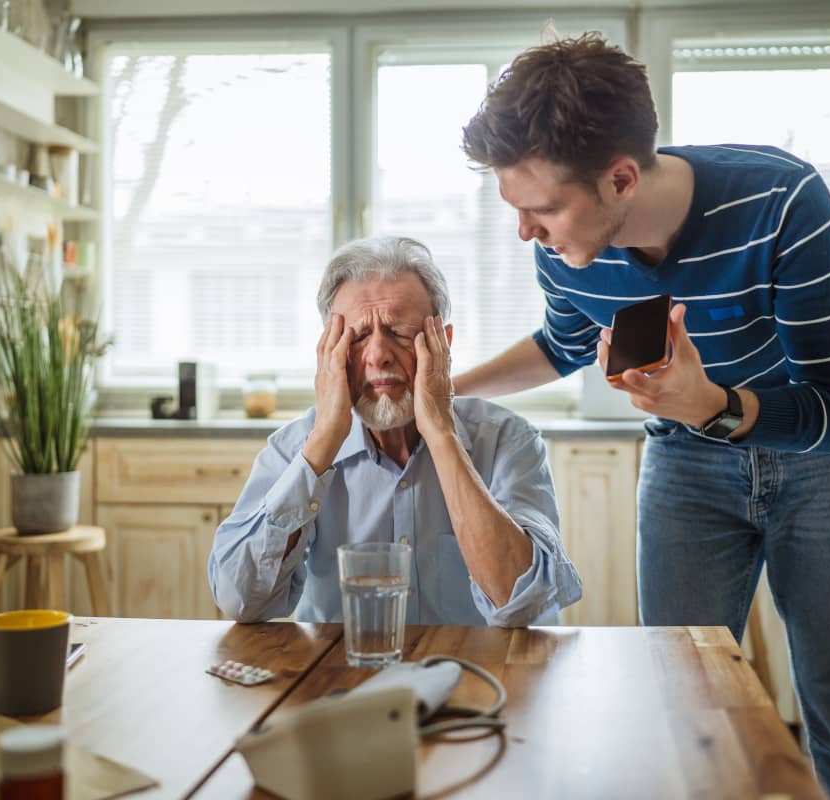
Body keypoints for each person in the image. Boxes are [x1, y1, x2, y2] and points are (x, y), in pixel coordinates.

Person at [453, 33, 830, 798]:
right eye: (517, 209)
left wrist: (716, 406)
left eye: (544, 209)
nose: (527, 232)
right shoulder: (563, 247)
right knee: (678, 690)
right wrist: (447, 391)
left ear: (621, 179)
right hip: (687, 462)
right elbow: (565, 342)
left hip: (826, 467)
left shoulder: (783, 199)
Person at [209, 235, 581, 628]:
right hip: (341, 681)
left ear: (443, 344)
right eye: (357, 338)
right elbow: (239, 600)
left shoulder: (508, 440)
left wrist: (441, 433)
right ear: (329, 351)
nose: (378, 354)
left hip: (479, 679)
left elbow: (525, 605)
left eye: (399, 333)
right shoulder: (293, 449)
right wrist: (323, 441)